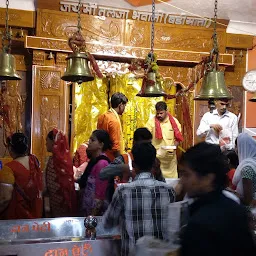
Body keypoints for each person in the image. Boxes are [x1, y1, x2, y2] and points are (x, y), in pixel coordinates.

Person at [179, 142, 255, 256]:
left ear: (207, 178)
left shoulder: (199, 224)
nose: (182, 181)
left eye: (187, 175)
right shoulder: (236, 209)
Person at [102, 142, 175, 256]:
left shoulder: (123, 191)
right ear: (154, 164)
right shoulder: (168, 190)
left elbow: (107, 224)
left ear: (134, 165)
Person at [99, 127, 165, 185]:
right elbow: (102, 174)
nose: (146, 147)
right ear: (134, 143)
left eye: (148, 144)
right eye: (143, 144)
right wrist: (122, 168)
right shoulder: (123, 159)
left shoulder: (154, 161)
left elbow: (162, 183)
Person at [0, 133, 43, 219]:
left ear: (10, 149)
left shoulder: (8, 169)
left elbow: (5, 199)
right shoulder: (35, 162)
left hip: (17, 218)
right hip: (35, 214)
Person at [79, 130, 112, 216]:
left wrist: (92, 219)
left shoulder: (102, 164)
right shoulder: (93, 160)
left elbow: (99, 198)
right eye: (89, 140)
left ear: (101, 145)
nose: (89, 142)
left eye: (93, 140)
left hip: (96, 216)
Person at [45, 129, 77, 217]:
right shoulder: (66, 160)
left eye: (47, 141)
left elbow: (49, 186)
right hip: (63, 199)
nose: (46, 144)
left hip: (58, 201)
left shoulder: (54, 161)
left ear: (53, 142)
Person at [146, 101, 183, 178]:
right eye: (157, 113)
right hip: (156, 160)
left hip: (170, 161)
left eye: (161, 113)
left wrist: (173, 148)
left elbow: (178, 139)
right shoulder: (151, 123)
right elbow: (145, 138)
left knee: (171, 184)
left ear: (167, 111)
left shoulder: (175, 122)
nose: (159, 115)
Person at [97, 92, 128, 161]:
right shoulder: (114, 121)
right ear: (120, 105)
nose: (124, 109)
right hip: (110, 159)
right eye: (124, 106)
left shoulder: (102, 117)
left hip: (100, 156)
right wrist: (120, 163)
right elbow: (115, 148)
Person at [233, 133, 256, 209]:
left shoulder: (247, 168)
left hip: (249, 212)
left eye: (236, 146)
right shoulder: (253, 163)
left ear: (242, 147)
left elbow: (247, 200)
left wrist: (231, 192)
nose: (235, 149)